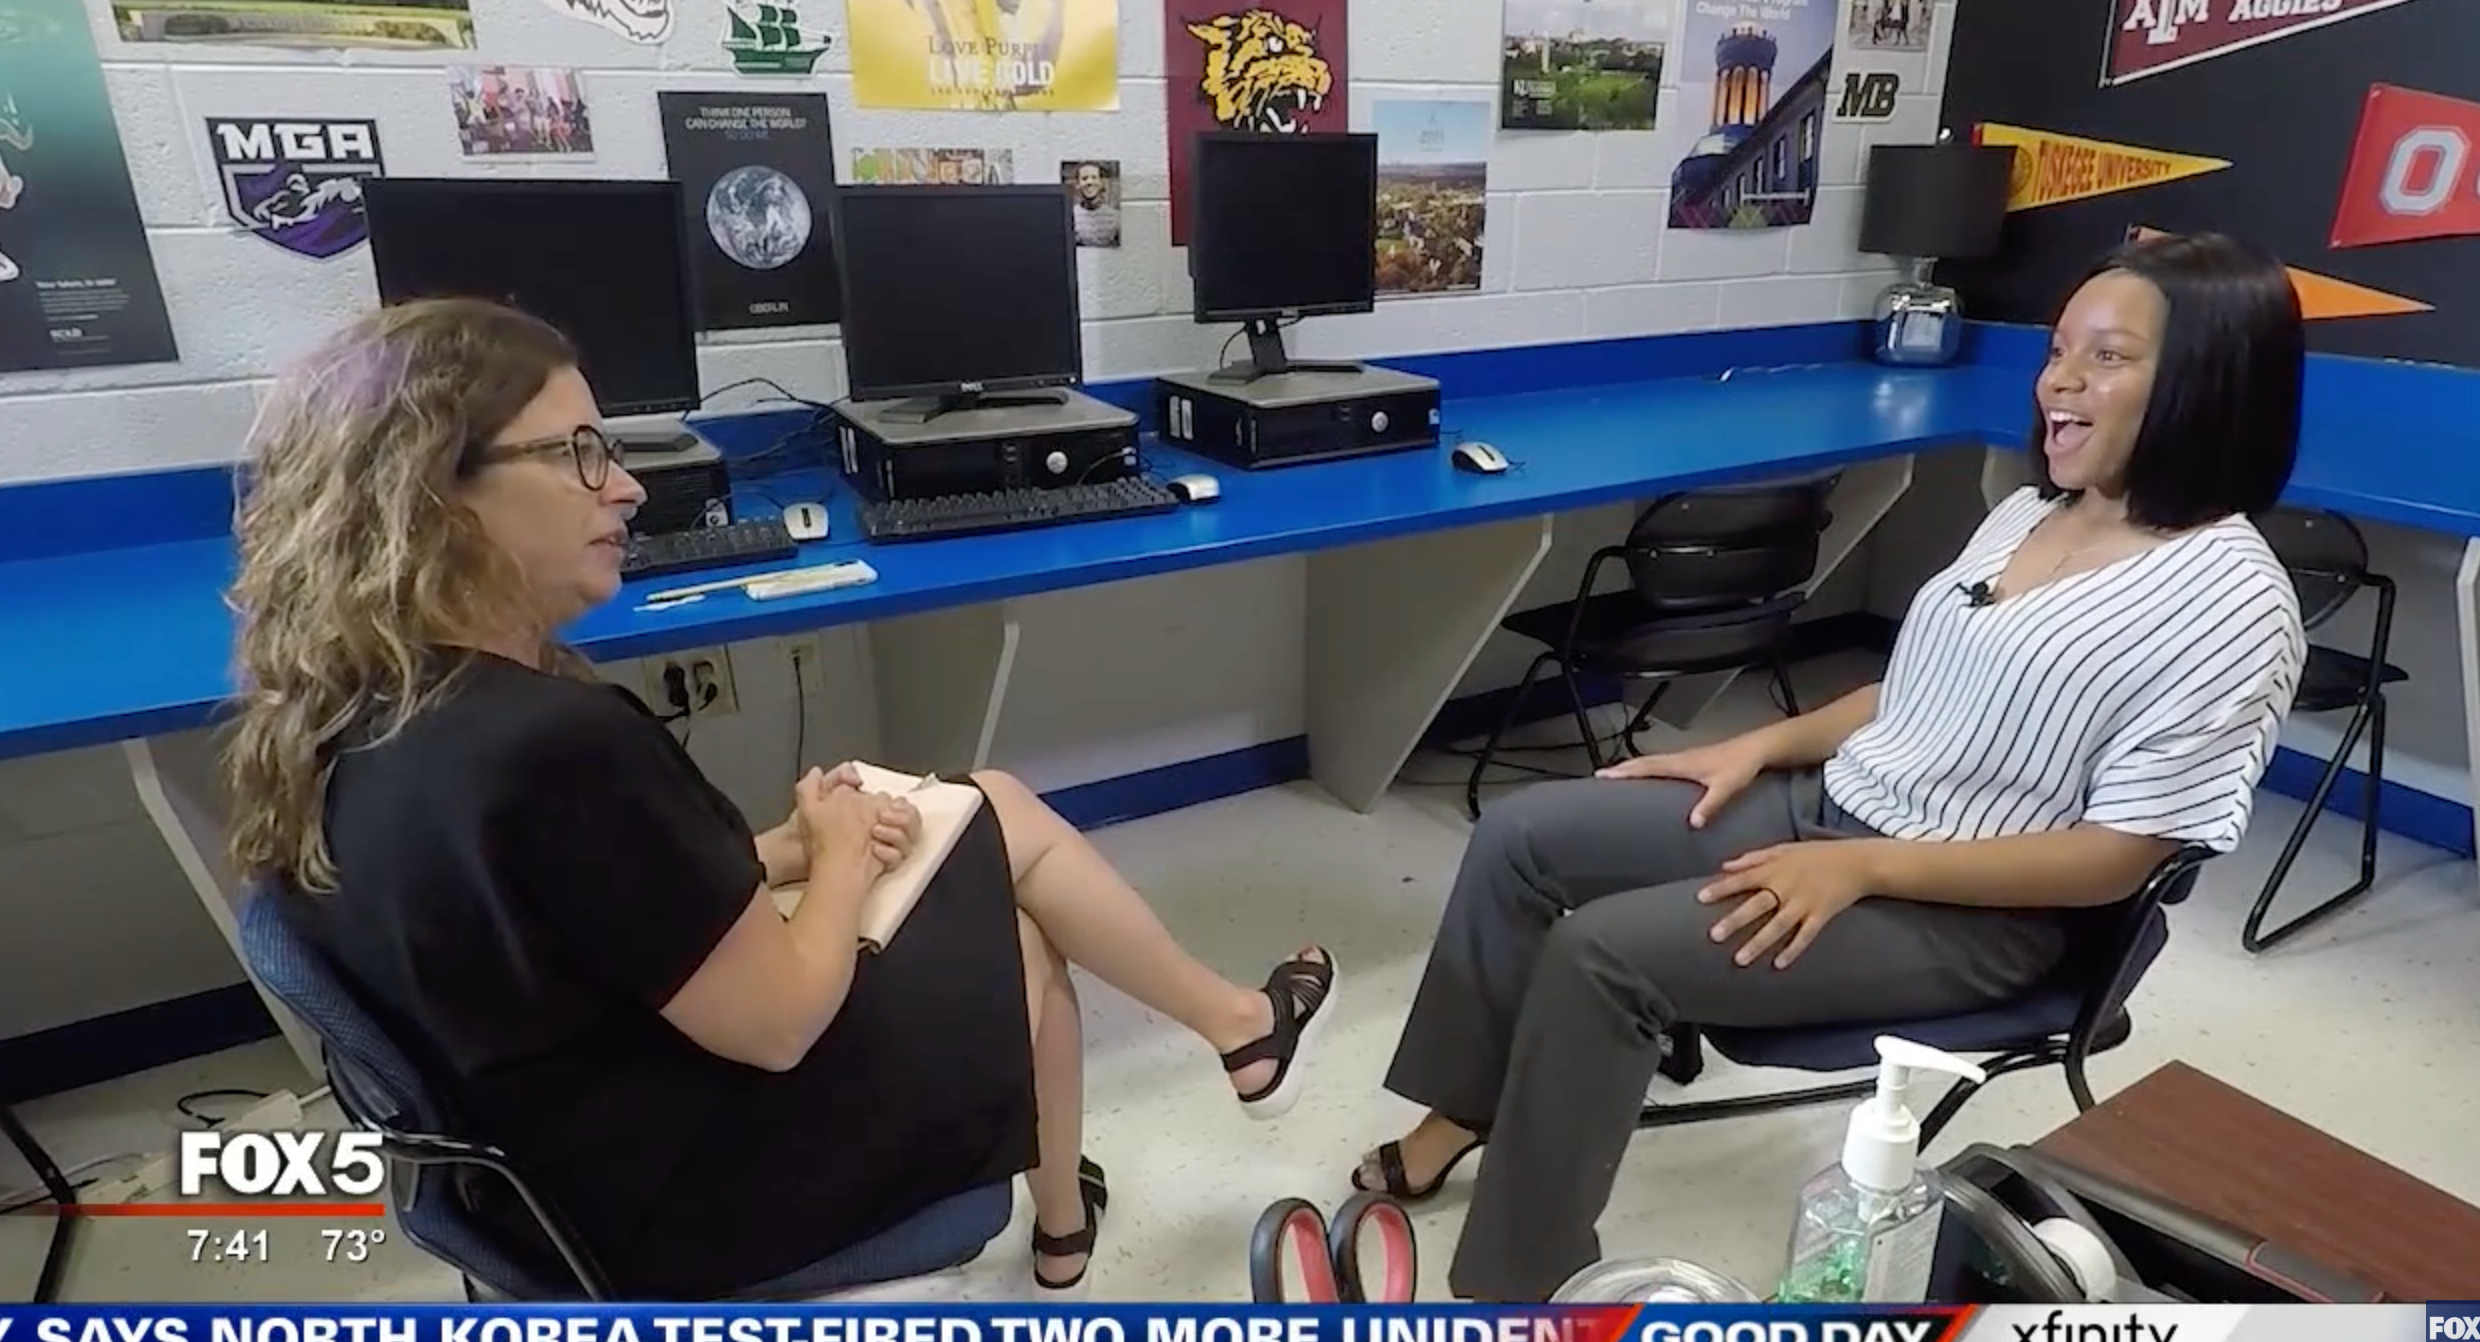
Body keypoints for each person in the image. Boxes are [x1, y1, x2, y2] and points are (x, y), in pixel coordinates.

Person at [221, 298, 1338, 1300]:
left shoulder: (352, 710)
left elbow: (582, 912)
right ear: (437, 496)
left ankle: (1132, 1143)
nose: (627, 484)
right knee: (1017, 923)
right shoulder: (554, 743)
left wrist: (785, 851)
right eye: (577, 454)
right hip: (685, 1204)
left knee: (988, 818)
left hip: (539, 1180)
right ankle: (1159, 1115)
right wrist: (842, 848)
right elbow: (777, 1024)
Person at [1353, 231, 2309, 1301]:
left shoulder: (2231, 603)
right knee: (1522, 837)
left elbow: (2115, 857)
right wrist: (1749, 745)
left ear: (2204, 383)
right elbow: (1911, 693)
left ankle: (1517, 1290)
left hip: (1974, 914)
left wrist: (1860, 871)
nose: (2058, 384)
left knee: (1602, 955)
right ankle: (1464, 1110)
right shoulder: (2029, 511)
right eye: (2055, 351)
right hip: (1836, 806)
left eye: (2105, 357)